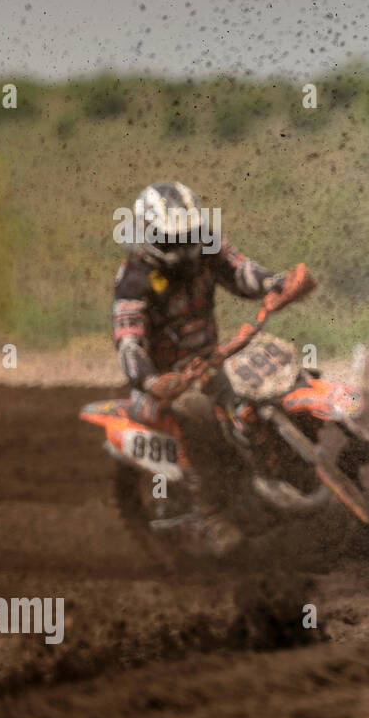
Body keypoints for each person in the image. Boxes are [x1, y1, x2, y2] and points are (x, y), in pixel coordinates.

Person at [112, 181, 286, 555]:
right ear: (149, 234)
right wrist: (153, 380)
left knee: (274, 373)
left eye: (188, 233)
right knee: (197, 411)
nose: (185, 245)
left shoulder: (206, 245)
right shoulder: (135, 279)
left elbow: (241, 272)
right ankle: (210, 515)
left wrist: (274, 282)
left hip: (211, 361)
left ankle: (284, 470)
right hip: (166, 382)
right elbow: (128, 340)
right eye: (173, 239)